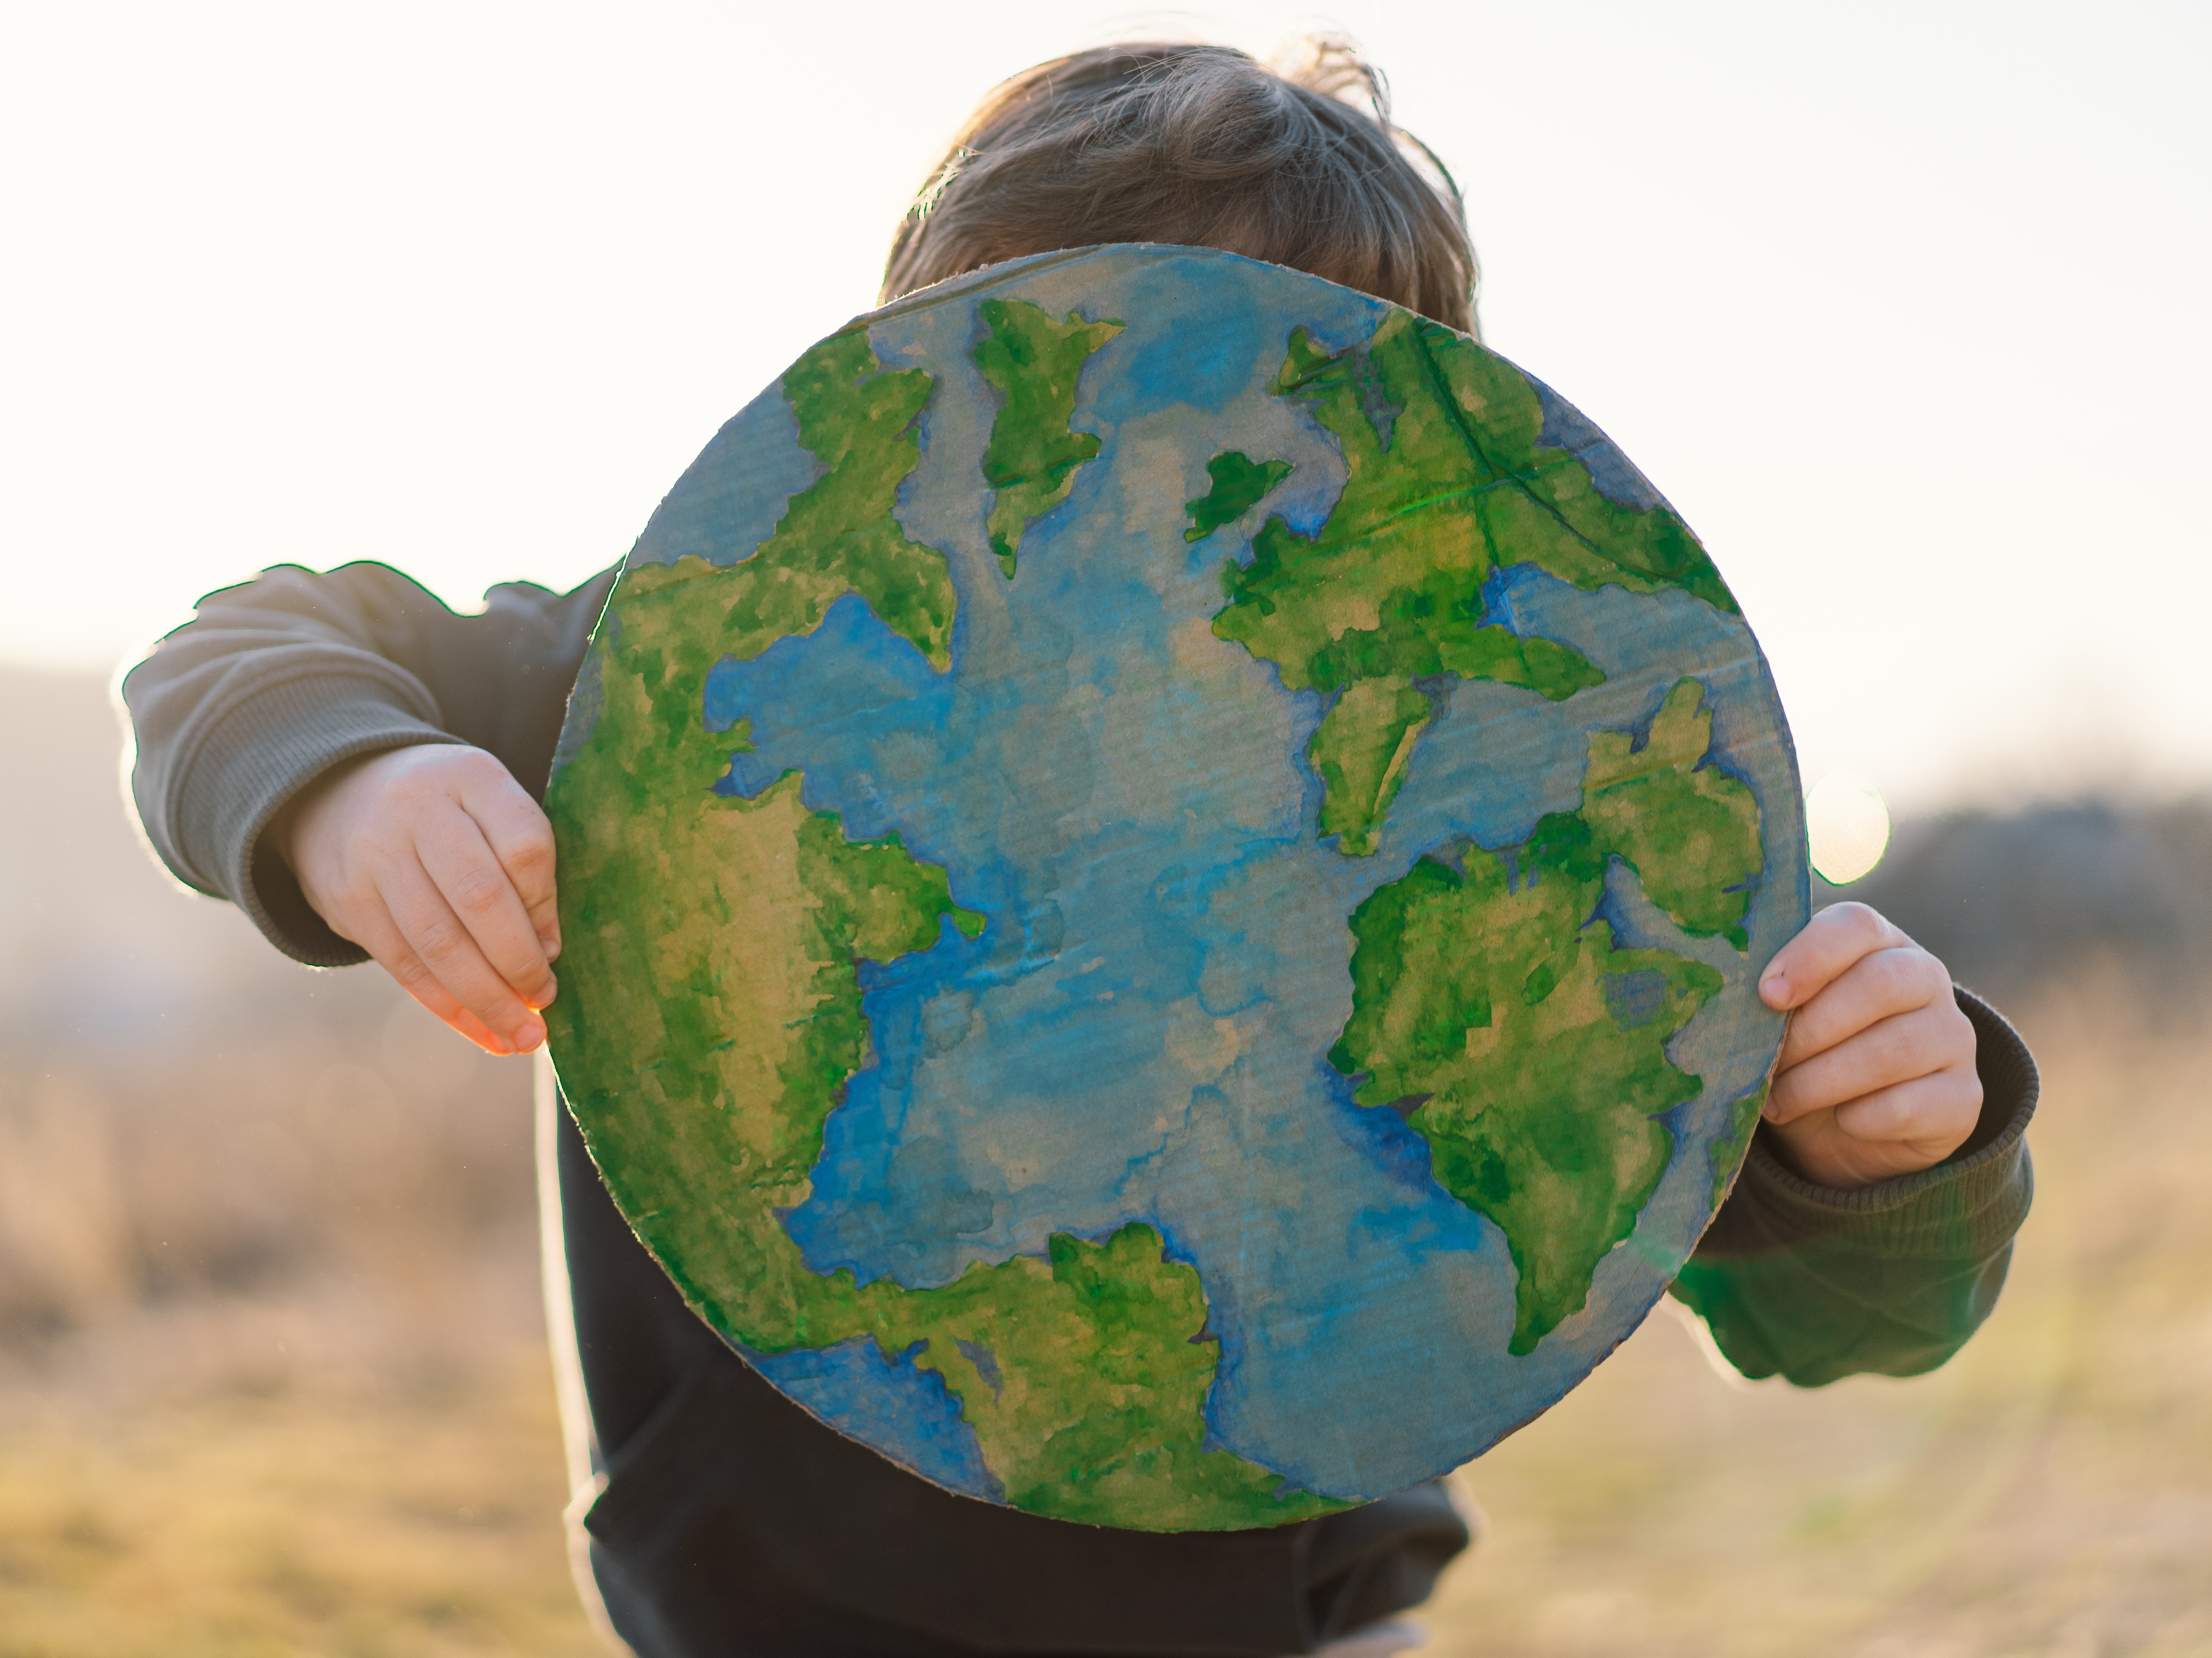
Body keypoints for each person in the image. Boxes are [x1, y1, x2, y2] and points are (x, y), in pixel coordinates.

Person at [121, 39, 2038, 1657]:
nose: (1148, 460)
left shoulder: (1498, 783)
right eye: (1061, 375)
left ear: (1410, 474)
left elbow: (1844, 1320)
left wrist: (1882, 1146)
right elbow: (241, 648)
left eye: (1259, 425)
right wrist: (347, 783)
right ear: (908, 376)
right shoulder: (725, 668)